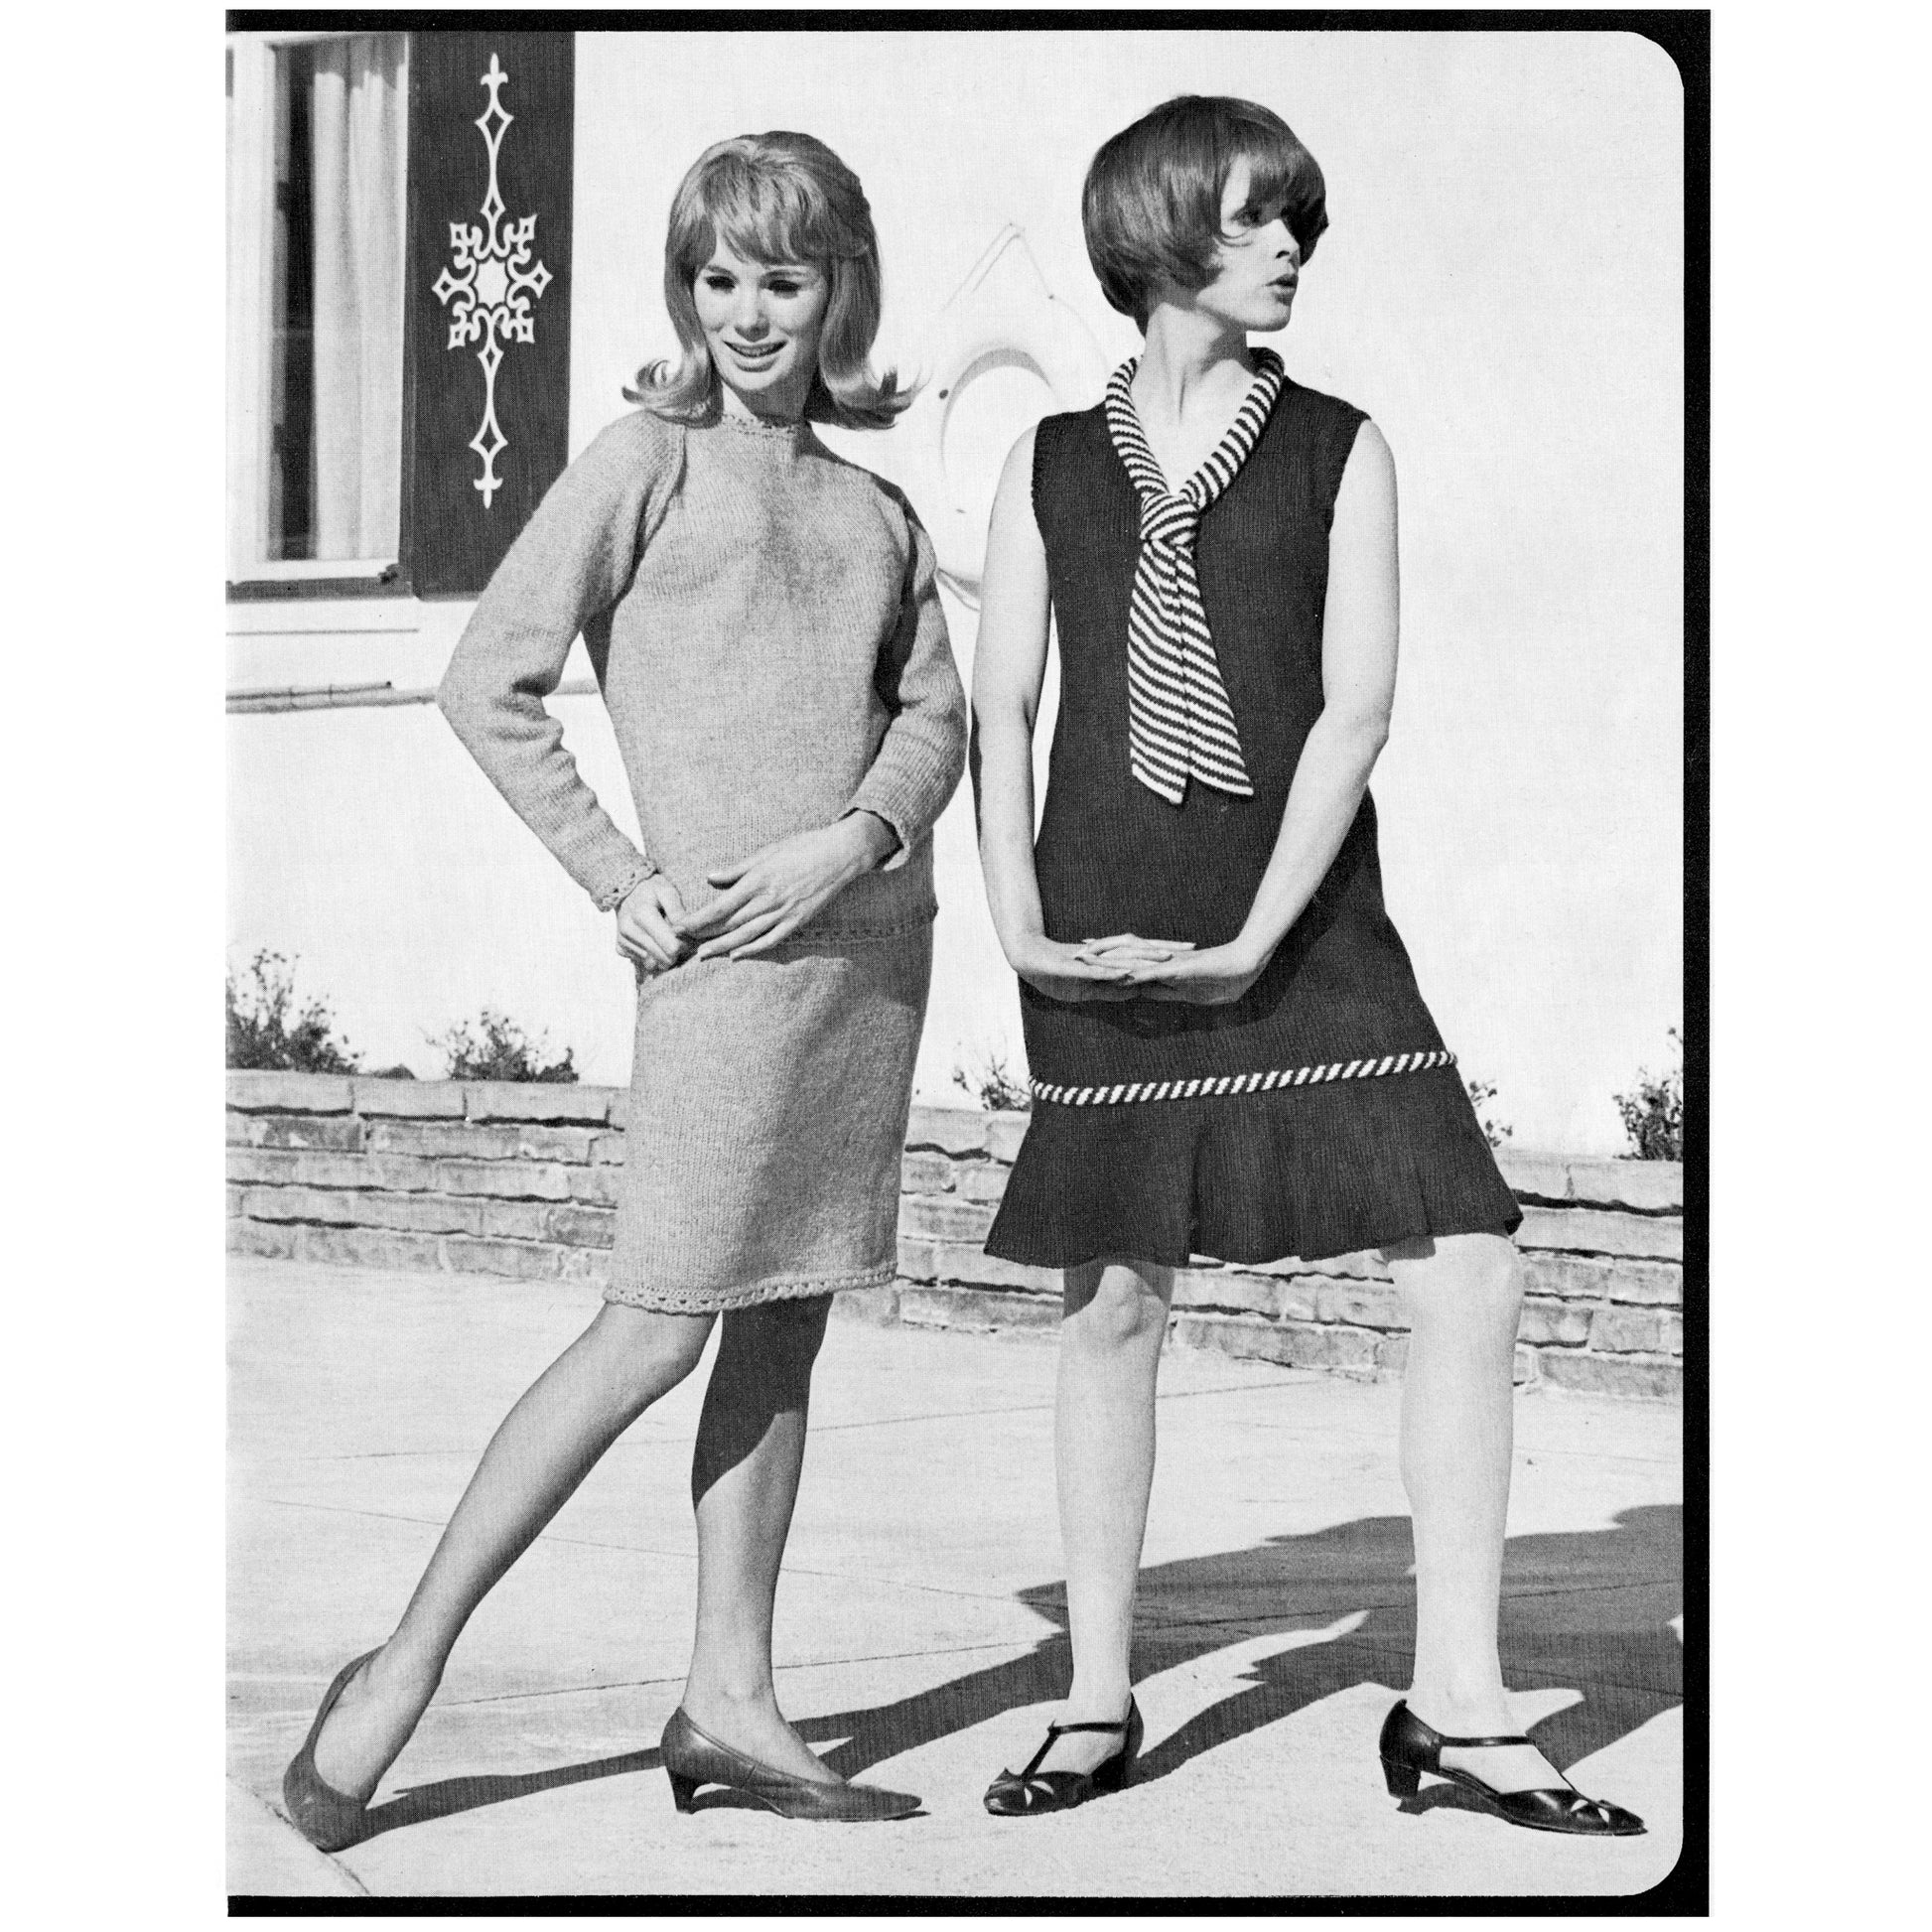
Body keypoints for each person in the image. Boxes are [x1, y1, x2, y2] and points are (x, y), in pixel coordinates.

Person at [969, 95, 1643, 1837]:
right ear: (1159, 231)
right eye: (1255, 218)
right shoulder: (1047, 463)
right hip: (1105, 911)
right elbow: (1000, 707)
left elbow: (1355, 711)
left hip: (1303, 924)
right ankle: (1094, 1692)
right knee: (1113, 1296)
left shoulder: (1343, 448)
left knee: (1467, 1263)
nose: (1289, 248)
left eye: (1299, 222)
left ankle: (1459, 1699)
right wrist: (1017, 924)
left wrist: (1255, 938)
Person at [282, 130, 967, 1842]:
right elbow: (487, 680)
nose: (746, 312)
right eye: (716, 278)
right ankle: (397, 1671)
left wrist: (853, 839)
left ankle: (730, 1694)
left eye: (782, 280)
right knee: (653, 1325)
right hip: (725, 979)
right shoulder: (641, 464)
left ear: (839, 291)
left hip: (863, 967)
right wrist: (619, 877)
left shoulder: (874, 509)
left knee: (786, 1316)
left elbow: (933, 716)